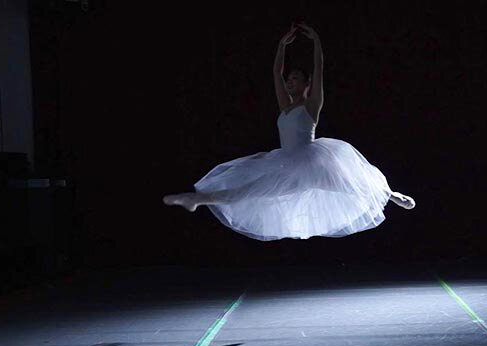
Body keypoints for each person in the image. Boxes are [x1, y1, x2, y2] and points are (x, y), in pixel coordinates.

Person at [163, 22, 415, 241]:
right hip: (284, 163)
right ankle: (197, 199)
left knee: (351, 184)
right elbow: (276, 73)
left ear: (307, 83)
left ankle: (391, 194)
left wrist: (316, 41)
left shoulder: (311, 105)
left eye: (295, 78)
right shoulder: (285, 107)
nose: (289, 82)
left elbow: (319, 69)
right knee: (249, 190)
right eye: (289, 79)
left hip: (312, 161)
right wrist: (282, 45)